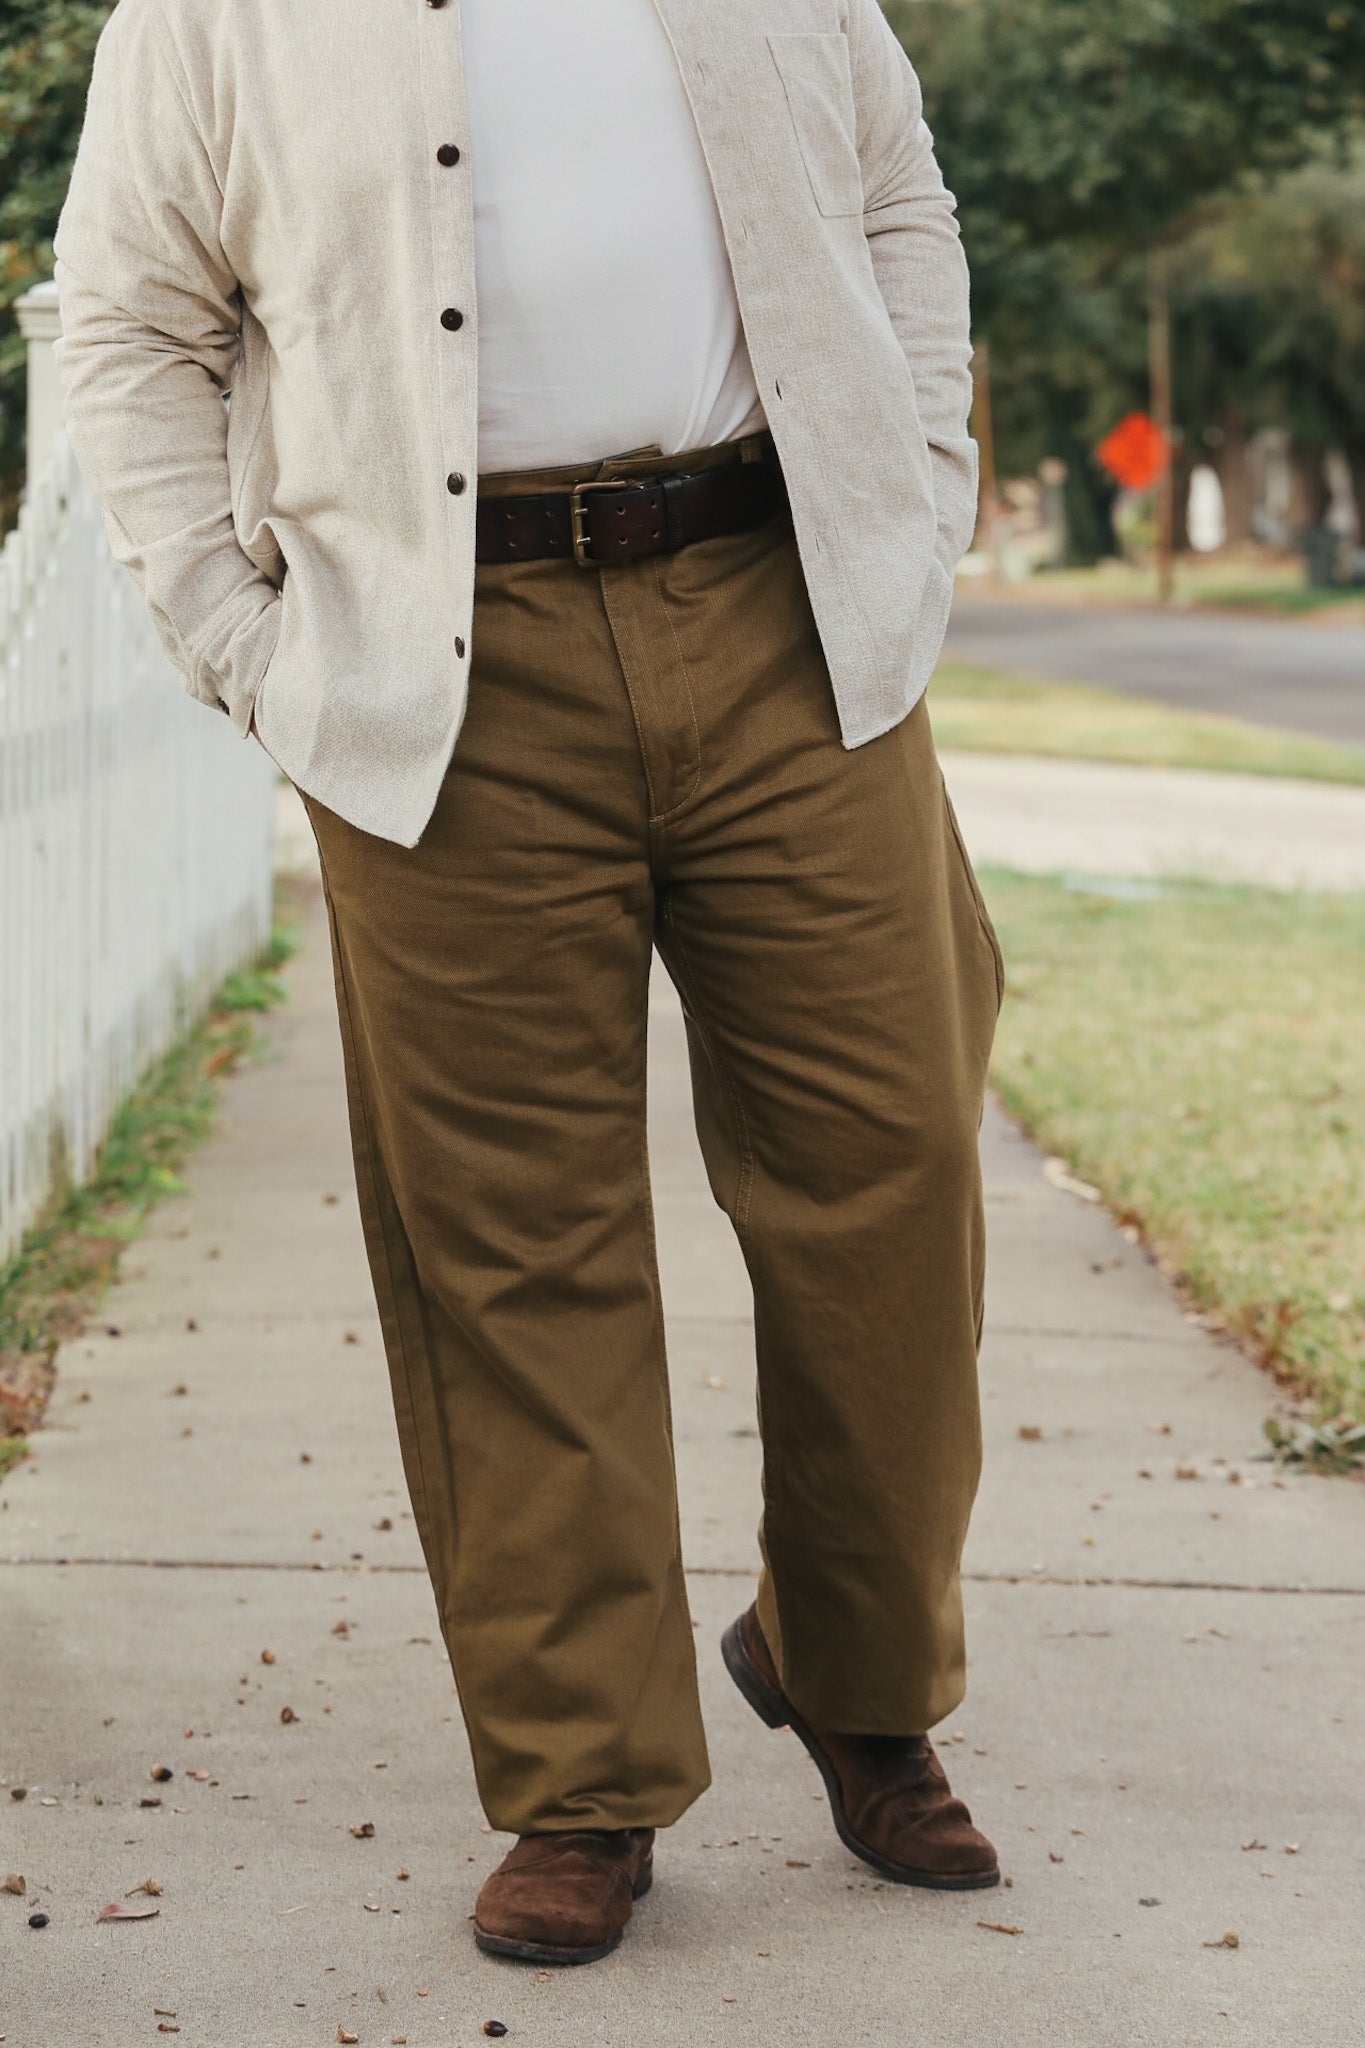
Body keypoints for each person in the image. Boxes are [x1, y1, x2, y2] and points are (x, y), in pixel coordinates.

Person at [53, 0, 1005, 1969]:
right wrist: (243, 640)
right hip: (438, 663)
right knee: (509, 1236)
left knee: (890, 1161)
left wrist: (914, 484)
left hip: (787, 606)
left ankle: (852, 1670)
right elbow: (130, 315)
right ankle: (584, 1775)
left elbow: (894, 195)